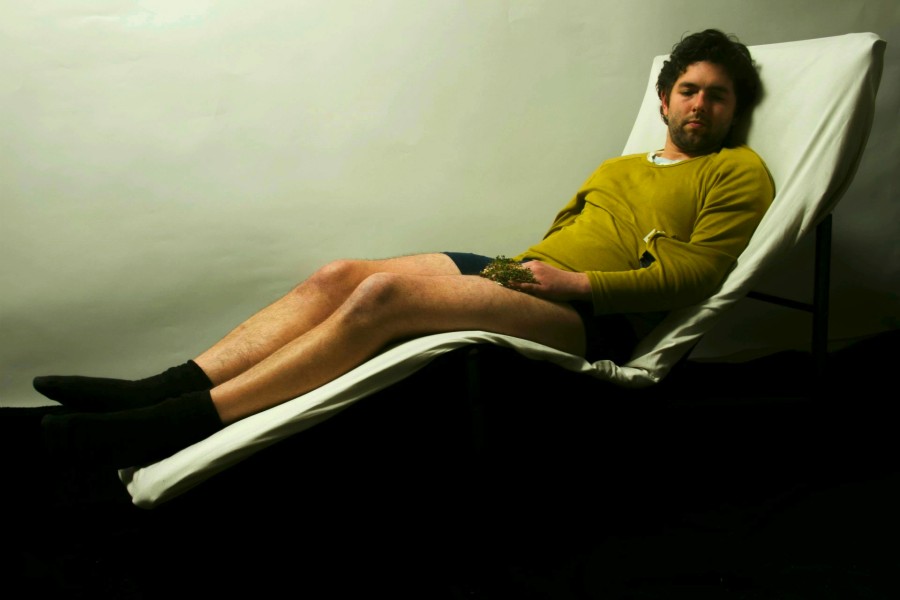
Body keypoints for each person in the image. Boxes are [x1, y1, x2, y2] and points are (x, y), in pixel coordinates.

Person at [37, 29, 775, 469]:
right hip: (526, 274)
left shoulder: (737, 171)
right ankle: (160, 387)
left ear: (734, 108)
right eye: (688, 90)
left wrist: (575, 286)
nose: (699, 105)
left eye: (717, 95)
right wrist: (523, 275)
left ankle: (174, 424)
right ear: (663, 98)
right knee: (338, 275)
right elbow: (562, 234)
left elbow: (699, 274)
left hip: (591, 317)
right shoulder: (618, 167)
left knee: (384, 298)